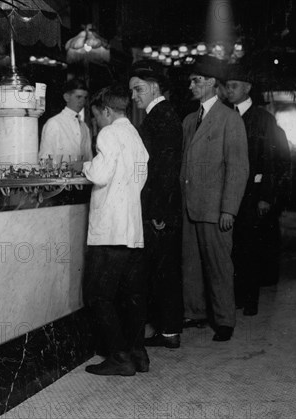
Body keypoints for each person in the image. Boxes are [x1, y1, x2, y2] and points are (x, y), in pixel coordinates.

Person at [180, 55, 249, 342]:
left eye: (196, 80)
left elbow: (238, 167)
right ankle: (195, 312)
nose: (191, 85)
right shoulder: (188, 120)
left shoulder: (230, 118)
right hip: (189, 206)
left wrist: (229, 210)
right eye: (190, 81)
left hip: (215, 207)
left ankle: (224, 321)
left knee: (219, 266)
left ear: (210, 82)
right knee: (191, 264)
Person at [82, 84, 149, 376]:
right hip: (131, 229)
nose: (95, 122)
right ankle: (138, 354)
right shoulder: (133, 133)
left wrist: (84, 165)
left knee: (98, 295)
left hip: (110, 230)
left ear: (107, 111)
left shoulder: (109, 133)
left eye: (96, 116)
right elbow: (140, 174)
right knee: (130, 295)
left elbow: (100, 173)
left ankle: (120, 357)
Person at [225, 63, 291, 316]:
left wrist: (266, 196)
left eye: (234, 86)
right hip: (231, 195)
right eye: (227, 87)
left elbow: (272, 160)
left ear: (247, 88)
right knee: (234, 249)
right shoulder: (226, 116)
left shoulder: (263, 119)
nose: (229, 91)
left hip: (253, 197)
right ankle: (238, 296)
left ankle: (250, 300)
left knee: (250, 249)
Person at [128, 60, 184, 348]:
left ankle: (169, 331)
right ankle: (168, 330)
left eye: (138, 90)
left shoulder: (160, 116)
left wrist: (158, 211)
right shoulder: (160, 115)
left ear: (153, 87)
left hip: (162, 210)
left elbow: (165, 169)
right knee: (164, 271)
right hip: (163, 207)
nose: (134, 96)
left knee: (163, 272)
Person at [38, 79, 93, 164]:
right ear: (66, 97)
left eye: (85, 98)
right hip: (60, 176)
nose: (82, 101)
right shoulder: (54, 123)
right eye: (78, 97)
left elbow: (89, 159)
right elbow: (44, 159)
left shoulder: (84, 127)